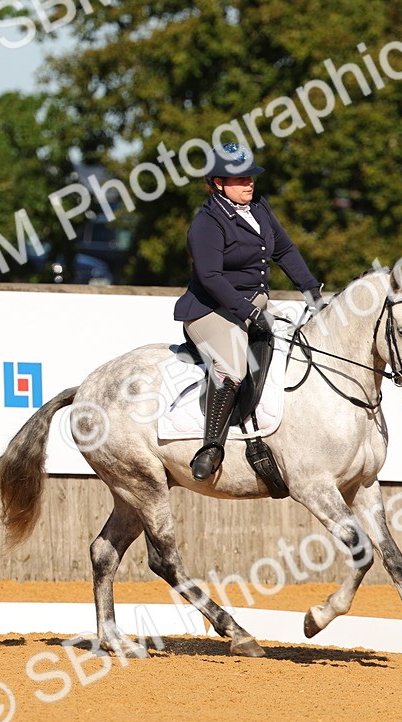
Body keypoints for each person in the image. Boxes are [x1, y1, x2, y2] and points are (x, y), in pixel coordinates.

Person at [174, 142, 324, 481]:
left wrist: (310, 288)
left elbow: (283, 248)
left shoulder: (258, 207)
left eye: (250, 177)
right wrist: (247, 311)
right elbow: (210, 277)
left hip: (253, 303)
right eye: (239, 179)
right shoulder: (207, 223)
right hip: (209, 310)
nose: (249, 184)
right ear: (216, 183)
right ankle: (211, 446)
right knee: (232, 365)